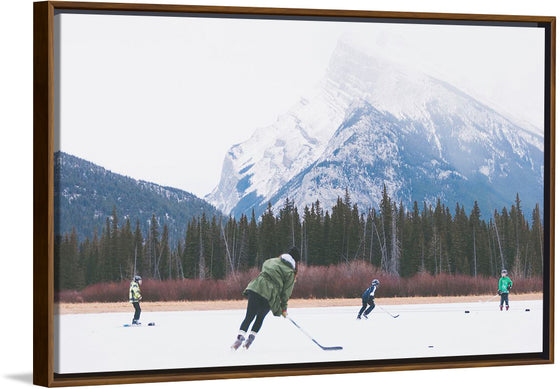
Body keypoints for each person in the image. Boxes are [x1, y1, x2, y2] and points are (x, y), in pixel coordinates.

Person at [231, 246, 300, 350]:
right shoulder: (290, 272)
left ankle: (239, 338)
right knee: (260, 318)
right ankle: (250, 339)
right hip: (271, 294)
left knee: (249, 317)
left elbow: (264, 267)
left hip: (257, 288)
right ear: (295, 261)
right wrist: (284, 308)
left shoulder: (271, 260)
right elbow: (286, 293)